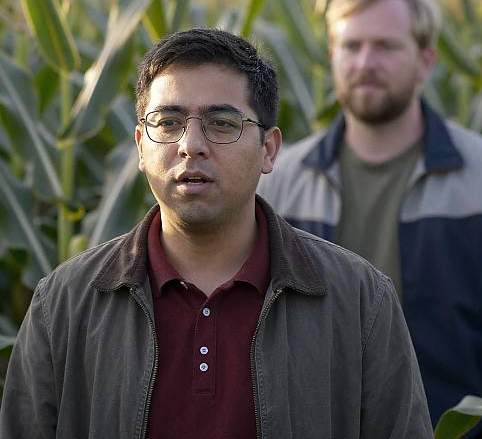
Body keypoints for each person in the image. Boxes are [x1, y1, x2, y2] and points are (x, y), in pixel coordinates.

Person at [0, 28, 432, 438]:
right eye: (167, 123)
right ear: (139, 146)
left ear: (269, 149)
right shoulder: (64, 303)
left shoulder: (359, 300)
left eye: (221, 123)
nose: (191, 144)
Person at [257, 0, 482, 438]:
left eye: (387, 47)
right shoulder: (279, 180)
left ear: (426, 60)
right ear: (332, 56)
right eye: (351, 46)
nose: (366, 62)